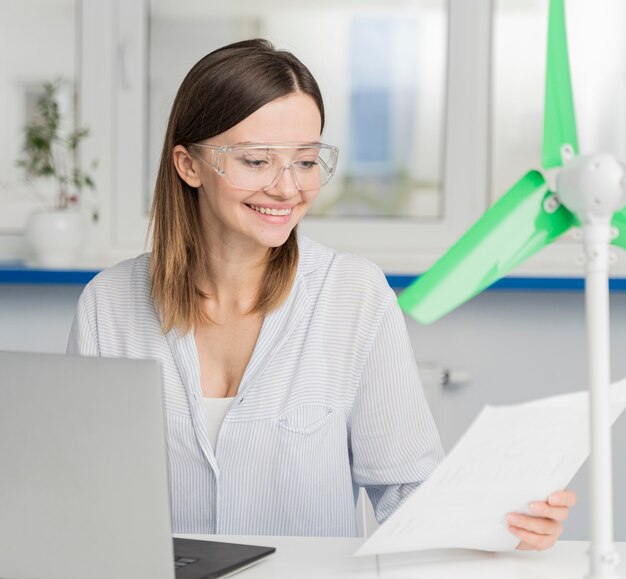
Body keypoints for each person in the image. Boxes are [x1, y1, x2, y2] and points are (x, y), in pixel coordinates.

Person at [67, 38, 575, 546]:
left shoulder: (354, 296)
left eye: (306, 162)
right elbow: (76, 493)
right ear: (189, 165)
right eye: (257, 161)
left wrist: (500, 522)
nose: (288, 189)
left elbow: (407, 492)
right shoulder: (107, 306)